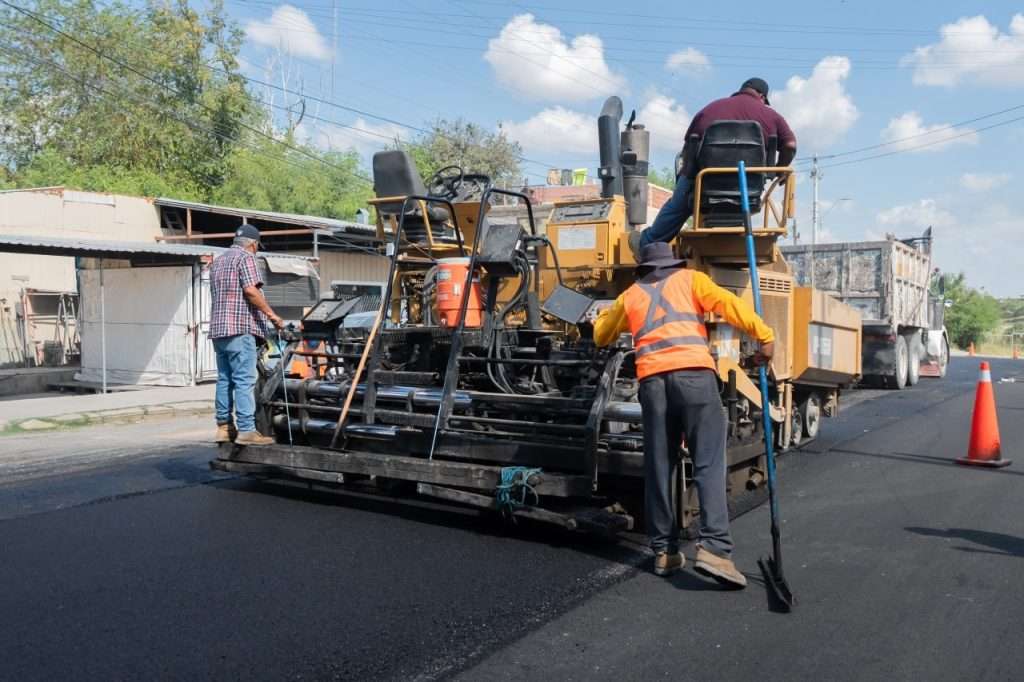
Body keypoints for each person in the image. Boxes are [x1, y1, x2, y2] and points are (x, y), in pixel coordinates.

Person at [592, 241, 774, 587]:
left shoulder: (630, 295)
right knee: (708, 463)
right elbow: (731, 306)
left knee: (660, 467)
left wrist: (601, 317)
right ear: (672, 263)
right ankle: (715, 549)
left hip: (653, 386)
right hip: (694, 379)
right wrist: (764, 336)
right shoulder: (692, 280)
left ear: (645, 268)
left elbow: (601, 336)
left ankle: (664, 551)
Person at [630, 77, 797, 255]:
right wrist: (780, 170)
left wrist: (686, 177)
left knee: (678, 203)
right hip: (748, 191)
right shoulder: (771, 116)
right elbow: (790, 145)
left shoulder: (710, 109)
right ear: (762, 96)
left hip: (705, 187)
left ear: (741, 89)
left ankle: (647, 244)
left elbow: (688, 149)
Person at [209, 224, 285, 446]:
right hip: (240, 329)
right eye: (257, 247)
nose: (257, 250)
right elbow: (251, 290)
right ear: (253, 244)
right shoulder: (246, 258)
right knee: (244, 380)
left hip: (219, 331)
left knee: (225, 379)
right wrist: (273, 316)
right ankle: (246, 430)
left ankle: (224, 427)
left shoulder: (218, 261)